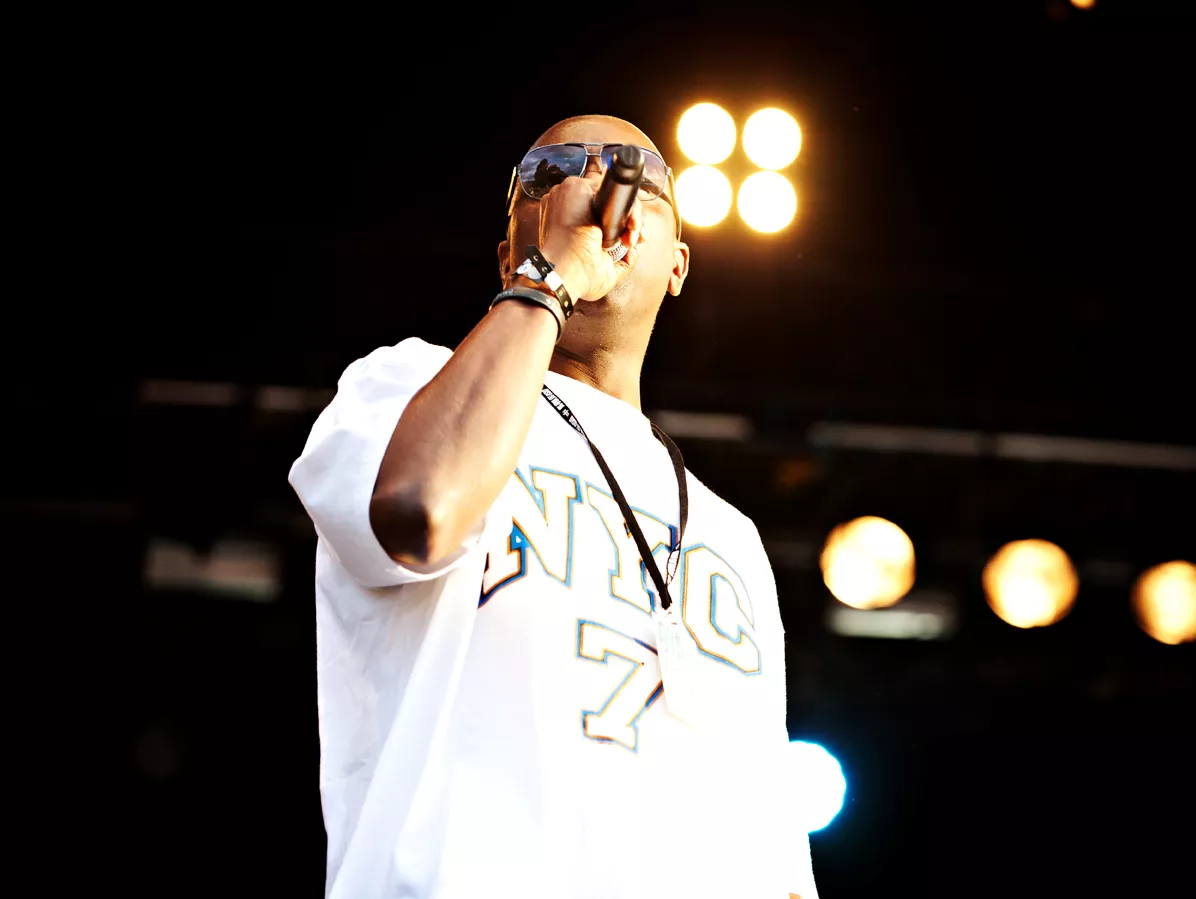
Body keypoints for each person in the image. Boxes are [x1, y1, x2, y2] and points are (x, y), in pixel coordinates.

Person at [289, 114, 818, 899]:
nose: (596, 187)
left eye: (634, 172)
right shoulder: (404, 385)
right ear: (509, 254)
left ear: (677, 263)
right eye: (555, 171)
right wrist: (550, 278)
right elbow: (420, 510)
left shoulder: (731, 534)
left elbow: (772, 848)